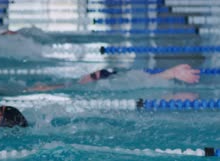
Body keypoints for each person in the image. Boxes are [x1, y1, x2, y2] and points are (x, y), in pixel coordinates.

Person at [29, 64, 201, 92]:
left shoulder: (95, 87)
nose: (88, 76)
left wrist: (169, 74)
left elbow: (142, 80)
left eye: (93, 75)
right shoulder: (75, 84)